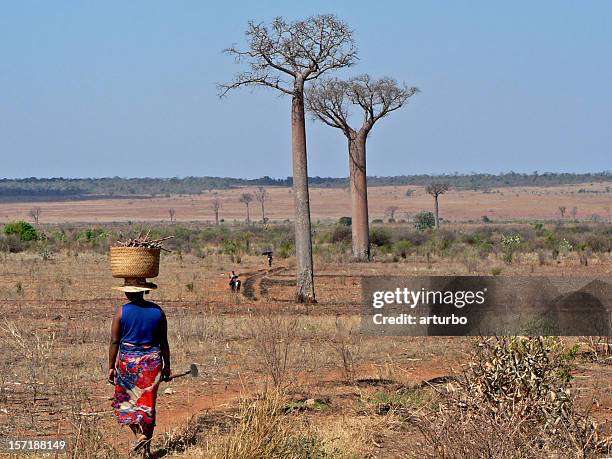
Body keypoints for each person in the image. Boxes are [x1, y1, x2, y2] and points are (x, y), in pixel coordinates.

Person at [108, 278, 171, 458]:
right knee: (148, 404)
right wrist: (167, 366)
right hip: (152, 363)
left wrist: (111, 366)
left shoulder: (122, 311)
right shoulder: (157, 311)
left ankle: (139, 434)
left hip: (128, 363)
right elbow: (164, 342)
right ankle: (147, 448)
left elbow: (114, 341)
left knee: (126, 402)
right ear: (144, 290)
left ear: (128, 292)